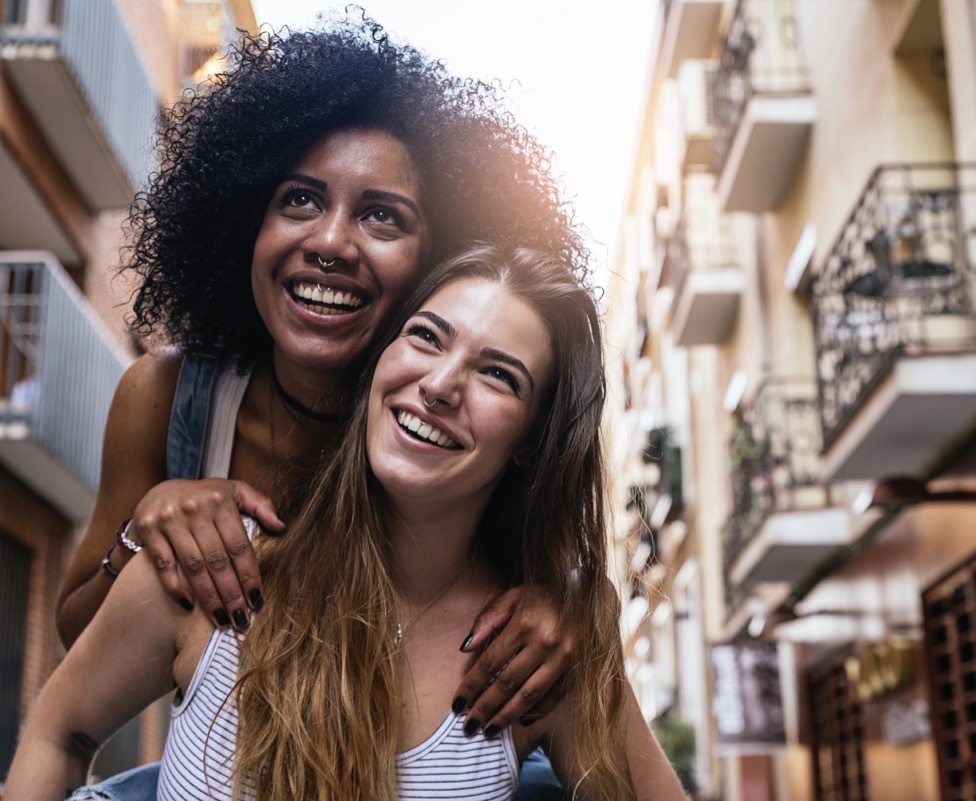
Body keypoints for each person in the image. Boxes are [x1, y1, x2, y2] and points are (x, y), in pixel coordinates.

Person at [50, 13, 577, 795]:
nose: (332, 241)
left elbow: (549, 556)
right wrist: (149, 529)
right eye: (299, 199)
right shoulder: (166, 397)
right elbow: (77, 635)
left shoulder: (439, 423)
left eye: (381, 214)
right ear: (245, 224)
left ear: (438, 260)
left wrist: (561, 605)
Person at [5, 243, 688, 801]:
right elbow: (58, 733)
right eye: (426, 335)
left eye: (499, 375)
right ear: (379, 363)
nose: (442, 383)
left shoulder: (537, 655)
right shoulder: (210, 572)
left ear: (532, 446)